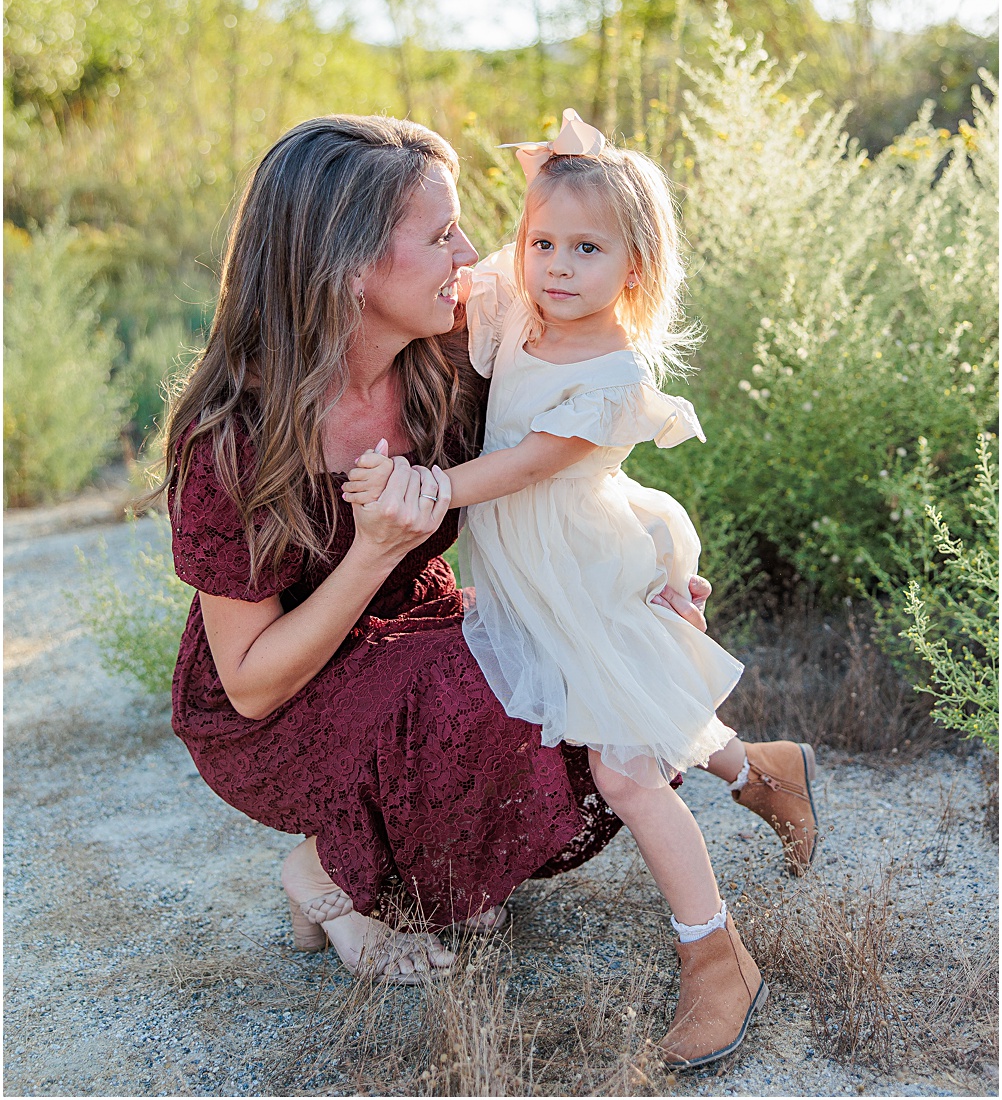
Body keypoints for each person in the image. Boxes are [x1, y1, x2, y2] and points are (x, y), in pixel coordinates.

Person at [158, 113, 721, 988]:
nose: (471, 252)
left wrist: (650, 571)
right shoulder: (231, 441)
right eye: (440, 234)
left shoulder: (448, 360)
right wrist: (375, 551)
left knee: (586, 675)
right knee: (475, 691)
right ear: (348, 268)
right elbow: (252, 681)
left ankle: (414, 865)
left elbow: (578, 468)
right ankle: (329, 879)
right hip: (275, 711)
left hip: (413, 634)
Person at [345, 111, 818, 1067]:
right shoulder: (522, 309)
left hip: (585, 570)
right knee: (636, 701)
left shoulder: (611, 373)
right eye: (542, 242)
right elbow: (442, 280)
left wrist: (426, 488)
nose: (557, 265)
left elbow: (522, 464)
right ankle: (765, 772)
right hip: (535, 579)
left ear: (634, 268)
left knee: (626, 771)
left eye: (587, 248)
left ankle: (717, 958)